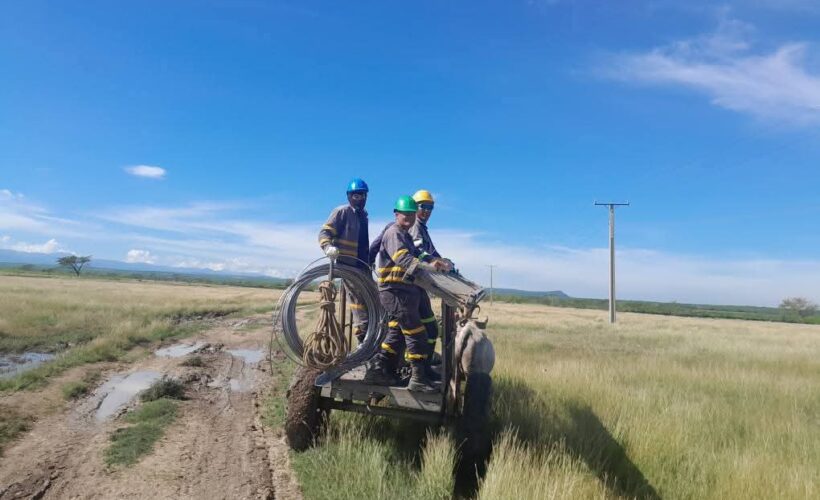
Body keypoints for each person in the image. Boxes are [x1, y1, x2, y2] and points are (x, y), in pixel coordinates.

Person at [363, 196, 449, 393]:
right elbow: (403, 258)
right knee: (416, 334)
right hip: (395, 292)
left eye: (411, 214)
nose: (409, 218)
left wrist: (434, 261)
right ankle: (418, 379)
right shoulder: (394, 233)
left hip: (404, 291)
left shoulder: (405, 234)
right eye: (405, 214)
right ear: (396, 214)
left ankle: (380, 370)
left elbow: (417, 254)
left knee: (395, 334)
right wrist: (428, 266)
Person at [318, 178, 370, 343]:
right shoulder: (342, 212)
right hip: (347, 266)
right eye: (356, 195)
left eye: (362, 195)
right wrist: (327, 247)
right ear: (349, 196)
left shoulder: (363, 217)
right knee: (358, 298)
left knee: (372, 298)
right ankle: (363, 334)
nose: (360, 198)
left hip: (363, 266)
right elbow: (324, 233)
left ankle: (369, 330)